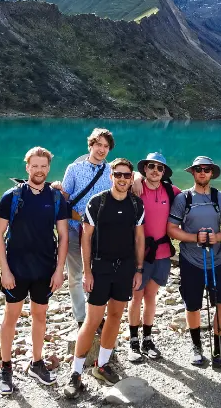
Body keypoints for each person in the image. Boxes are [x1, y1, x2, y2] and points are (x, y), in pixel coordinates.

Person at [63, 158, 145, 399]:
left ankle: (102, 365)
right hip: (100, 268)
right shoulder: (96, 203)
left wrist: (139, 269)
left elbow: (139, 238)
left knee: (116, 316)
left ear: (131, 179)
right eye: (118, 174)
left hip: (125, 268)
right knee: (92, 320)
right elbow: (86, 238)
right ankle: (76, 373)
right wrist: (87, 272)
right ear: (111, 176)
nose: (122, 179)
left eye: (126, 176)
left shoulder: (136, 204)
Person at [0, 147, 69, 393]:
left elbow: (64, 236)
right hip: (16, 268)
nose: (39, 170)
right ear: (27, 167)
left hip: (45, 268)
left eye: (43, 166)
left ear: (49, 168)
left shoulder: (56, 198)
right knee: (11, 317)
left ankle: (36, 361)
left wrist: (59, 270)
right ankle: (6, 367)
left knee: (40, 315)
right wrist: (4, 270)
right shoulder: (12, 196)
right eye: (34, 165)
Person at [167, 156, 221, 373]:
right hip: (190, 261)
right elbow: (172, 229)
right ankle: (196, 347)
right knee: (193, 305)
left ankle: (219, 351)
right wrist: (194, 238)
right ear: (193, 173)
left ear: (212, 173)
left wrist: (217, 237)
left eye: (207, 170)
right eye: (198, 169)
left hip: (216, 261)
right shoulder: (183, 199)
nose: (202, 173)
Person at [52, 128, 113, 329]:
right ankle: (81, 317)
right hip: (75, 227)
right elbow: (66, 199)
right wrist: (57, 188)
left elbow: (130, 176)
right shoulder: (74, 169)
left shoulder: (112, 171)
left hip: (101, 233)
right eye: (98, 145)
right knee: (76, 274)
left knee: (97, 273)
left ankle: (95, 314)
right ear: (90, 145)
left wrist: (137, 179)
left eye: (106, 146)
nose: (102, 150)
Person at [127, 152, 180, 362]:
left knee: (151, 296)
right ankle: (133, 341)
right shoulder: (135, 188)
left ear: (164, 172)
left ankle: (147, 339)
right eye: (151, 167)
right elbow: (116, 174)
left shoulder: (171, 191)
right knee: (136, 295)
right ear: (144, 170)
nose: (155, 171)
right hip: (139, 253)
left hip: (162, 253)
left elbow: (194, 197)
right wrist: (135, 178)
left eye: (160, 168)